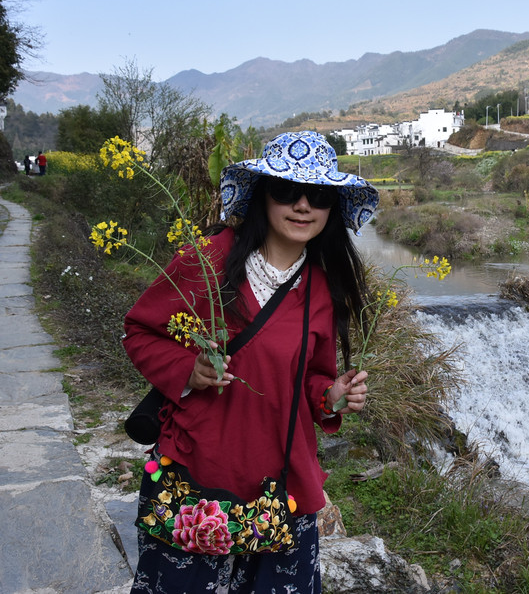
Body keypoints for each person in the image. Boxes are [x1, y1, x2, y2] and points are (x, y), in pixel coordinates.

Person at [123, 131, 379, 593]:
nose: (303, 205)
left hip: (282, 482)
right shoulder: (209, 260)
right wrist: (189, 370)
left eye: (318, 194)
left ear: (331, 208)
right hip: (199, 472)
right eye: (287, 190)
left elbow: (312, 380)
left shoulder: (322, 287)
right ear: (261, 194)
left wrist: (332, 396)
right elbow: (141, 330)